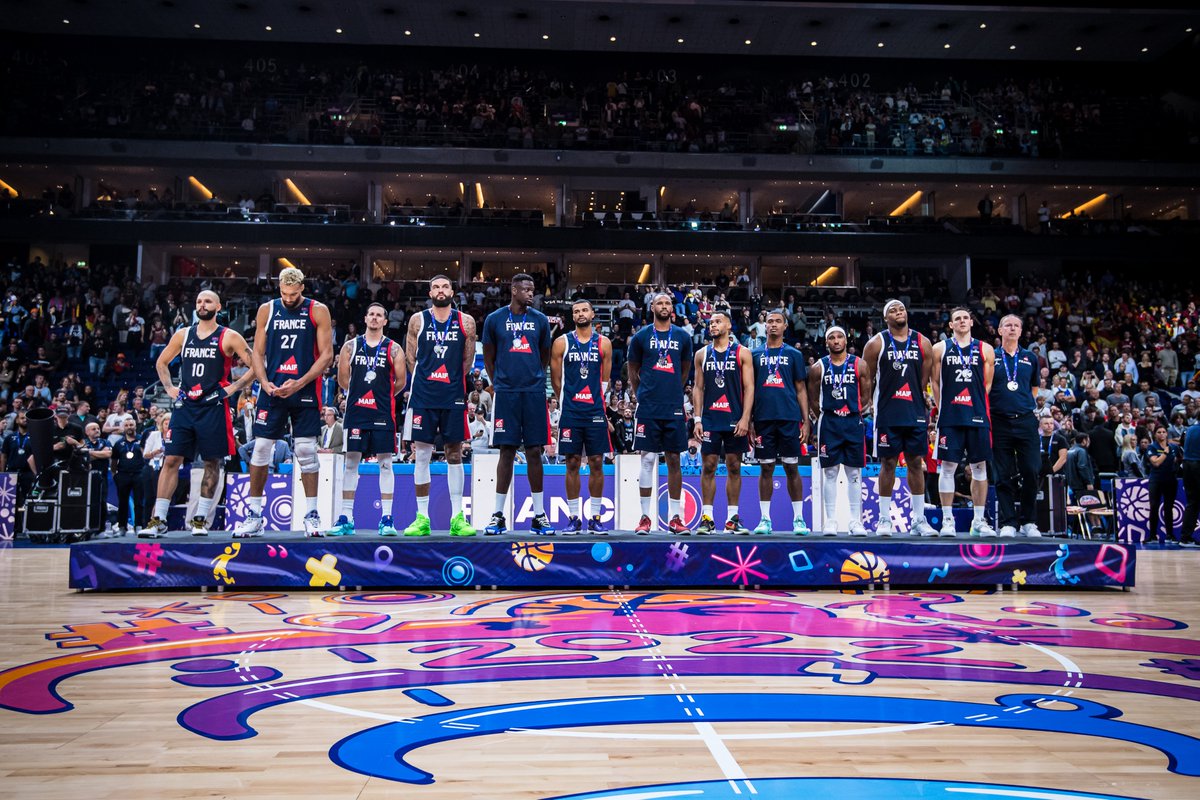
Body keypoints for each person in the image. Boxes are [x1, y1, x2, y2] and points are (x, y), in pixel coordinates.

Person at [140, 290, 255, 537]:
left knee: (213, 462)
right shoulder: (183, 335)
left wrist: (234, 387)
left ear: (219, 306)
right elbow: (161, 362)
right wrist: (170, 388)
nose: (202, 305)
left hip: (214, 405)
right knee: (171, 460)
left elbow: (257, 365)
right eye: (199, 301)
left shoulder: (229, 336)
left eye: (208, 301)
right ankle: (158, 519)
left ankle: (201, 519)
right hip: (185, 406)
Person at [234, 268, 334, 537]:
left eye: (294, 294)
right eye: (284, 293)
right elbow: (257, 352)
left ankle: (312, 515)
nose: (289, 298)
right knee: (261, 449)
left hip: (304, 389)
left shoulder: (318, 310)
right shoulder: (267, 309)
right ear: (279, 288)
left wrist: (300, 382)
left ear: (302, 287)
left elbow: (327, 355)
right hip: (273, 388)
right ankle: (254, 516)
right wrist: (263, 383)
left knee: (305, 451)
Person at [402, 276, 476, 537]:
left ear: (452, 291)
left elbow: (467, 362)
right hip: (423, 396)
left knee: (454, 454)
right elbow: (412, 359)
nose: (441, 290)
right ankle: (422, 517)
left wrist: (450, 380)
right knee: (421, 455)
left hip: (453, 395)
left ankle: (458, 518)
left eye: (445, 286)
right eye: (436, 287)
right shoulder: (417, 320)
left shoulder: (466, 321)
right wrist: (428, 380)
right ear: (430, 291)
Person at [481, 273, 554, 535]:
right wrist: (499, 382)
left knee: (535, 451)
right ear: (513, 290)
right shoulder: (495, 319)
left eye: (533, 290)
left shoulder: (540, 320)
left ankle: (539, 515)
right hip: (507, 393)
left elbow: (543, 357)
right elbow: (489, 357)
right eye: (526, 290)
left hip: (533, 393)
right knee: (507, 452)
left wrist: (533, 378)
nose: (531, 294)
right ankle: (498, 515)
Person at [330, 303, 406, 537]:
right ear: (365, 318)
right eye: (371, 314)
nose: (374, 318)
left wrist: (380, 398)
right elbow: (343, 381)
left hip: (382, 412)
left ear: (385, 321)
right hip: (356, 413)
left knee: (385, 464)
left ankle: (387, 518)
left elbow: (401, 383)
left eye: (379, 315)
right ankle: (346, 517)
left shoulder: (394, 349)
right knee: (351, 464)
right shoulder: (350, 346)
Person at [862, 299, 937, 535]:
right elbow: (867, 378)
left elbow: (923, 377)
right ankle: (884, 519)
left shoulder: (923, 342)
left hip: (914, 411)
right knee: (888, 463)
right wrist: (870, 403)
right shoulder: (875, 343)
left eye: (901, 309)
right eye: (892, 310)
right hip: (887, 412)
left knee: (916, 463)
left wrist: (918, 396)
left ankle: (918, 520)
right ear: (886, 318)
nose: (898, 312)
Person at [627, 292, 693, 533]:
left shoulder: (683, 337)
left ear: (672, 307)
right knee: (647, 460)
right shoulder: (641, 337)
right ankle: (645, 517)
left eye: (667, 302)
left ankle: (675, 517)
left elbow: (684, 371)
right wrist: (641, 394)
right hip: (648, 407)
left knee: (674, 459)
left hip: (673, 407)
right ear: (652, 306)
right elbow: (632, 370)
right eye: (659, 303)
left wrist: (673, 389)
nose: (664, 306)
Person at [931, 307, 996, 537]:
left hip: (977, 415)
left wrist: (974, 401)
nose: (961, 321)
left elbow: (987, 384)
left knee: (980, 468)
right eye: (957, 319)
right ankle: (947, 520)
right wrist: (943, 407)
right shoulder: (940, 348)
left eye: (965, 318)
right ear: (950, 325)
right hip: (951, 416)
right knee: (947, 468)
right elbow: (935, 383)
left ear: (971, 322)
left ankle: (979, 520)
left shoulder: (985, 348)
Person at [550, 299, 613, 534]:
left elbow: (604, 380)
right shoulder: (561, 342)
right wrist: (568, 400)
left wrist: (594, 400)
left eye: (584, 310)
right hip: (571, 411)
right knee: (572, 463)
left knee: (597, 462)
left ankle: (595, 518)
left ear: (593, 313)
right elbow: (556, 380)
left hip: (595, 411)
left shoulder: (604, 343)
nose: (580, 314)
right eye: (576, 311)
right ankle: (574, 518)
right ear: (572, 316)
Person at [692, 310, 755, 534]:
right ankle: (707, 518)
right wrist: (697, 419)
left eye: (718, 322)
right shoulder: (701, 353)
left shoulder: (743, 352)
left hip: (734, 418)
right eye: (711, 322)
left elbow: (749, 388)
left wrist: (746, 418)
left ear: (729, 326)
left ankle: (732, 520)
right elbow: (698, 388)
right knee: (708, 466)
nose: (713, 325)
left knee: (734, 467)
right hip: (709, 418)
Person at [750, 310, 810, 534]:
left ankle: (799, 519)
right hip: (763, 418)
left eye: (778, 322)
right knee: (765, 468)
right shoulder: (754, 354)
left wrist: (806, 420)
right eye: (769, 322)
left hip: (789, 417)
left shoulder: (794, 354)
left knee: (791, 466)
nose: (773, 325)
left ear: (785, 326)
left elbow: (801, 389)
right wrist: (749, 419)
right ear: (764, 326)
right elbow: (750, 390)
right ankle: (765, 519)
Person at [808, 326, 870, 536]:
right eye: (831, 338)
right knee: (830, 472)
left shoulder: (859, 364)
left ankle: (855, 521)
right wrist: (825, 415)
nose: (836, 341)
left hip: (853, 421)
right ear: (827, 343)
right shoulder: (819, 367)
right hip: (830, 423)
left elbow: (866, 396)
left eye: (839, 337)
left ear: (846, 340)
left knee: (853, 472)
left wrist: (853, 412)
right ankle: (831, 521)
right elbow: (813, 399)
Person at [988, 315, 1043, 538]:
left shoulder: (1030, 357)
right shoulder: (990, 356)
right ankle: (1009, 522)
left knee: (1031, 470)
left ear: (1021, 331)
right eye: (1008, 325)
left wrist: (1022, 405)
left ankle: (1028, 521)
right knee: (1003, 474)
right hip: (999, 420)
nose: (1012, 328)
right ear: (999, 330)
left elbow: (1035, 389)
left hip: (1025, 420)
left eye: (1016, 325)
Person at [1144, 425, 1183, 546]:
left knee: (1168, 508)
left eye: (1164, 432)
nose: (1162, 434)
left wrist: (1176, 465)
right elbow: (1155, 463)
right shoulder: (1152, 447)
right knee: (1154, 507)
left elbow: (1179, 459)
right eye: (1159, 432)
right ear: (1155, 435)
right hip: (1156, 480)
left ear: (1167, 434)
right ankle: (1152, 536)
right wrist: (1165, 453)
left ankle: (1170, 535)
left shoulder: (1174, 447)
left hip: (1170, 480)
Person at [110, 418, 147, 535]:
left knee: (139, 502)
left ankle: (139, 526)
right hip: (123, 475)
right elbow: (114, 461)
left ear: (135, 426)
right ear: (123, 428)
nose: (129, 427)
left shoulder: (142, 441)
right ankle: (122, 527)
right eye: (126, 425)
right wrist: (114, 474)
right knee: (122, 502)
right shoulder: (118, 443)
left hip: (139, 474)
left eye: (131, 425)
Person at [1178, 423, 1200, 548]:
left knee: (1192, 503)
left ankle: (1185, 538)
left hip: (1187, 465)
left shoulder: (1190, 429)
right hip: (1198, 464)